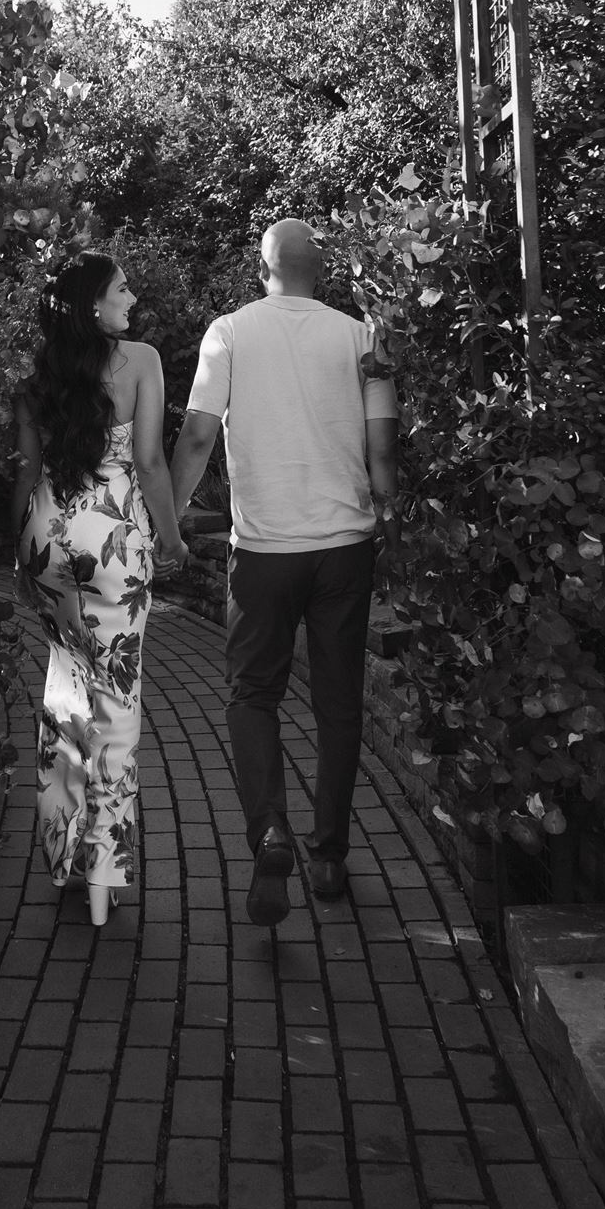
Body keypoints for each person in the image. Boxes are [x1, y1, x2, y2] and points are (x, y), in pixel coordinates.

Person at [169, 218, 399, 926]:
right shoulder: (361, 337)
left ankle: (268, 829)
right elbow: (381, 450)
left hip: (264, 551)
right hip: (343, 547)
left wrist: (168, 518)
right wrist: (385, 510)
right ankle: (328, 853)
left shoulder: (229, 332)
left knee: (252, 695)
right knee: (337, 702)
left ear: (261, 266)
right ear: (319, 271)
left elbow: (200, 433)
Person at [12, 252, 189, 927]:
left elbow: (27, 473)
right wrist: (171, 539)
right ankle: (101, 875)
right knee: (114, 700)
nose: (132, 294)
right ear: (93, 304)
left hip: (47, 540)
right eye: (122, 287)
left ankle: (62, 853)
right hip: (110, 543)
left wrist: (21, 553)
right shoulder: (140, 360)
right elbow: (146, 462)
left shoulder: (40, 377)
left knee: (65, 690)